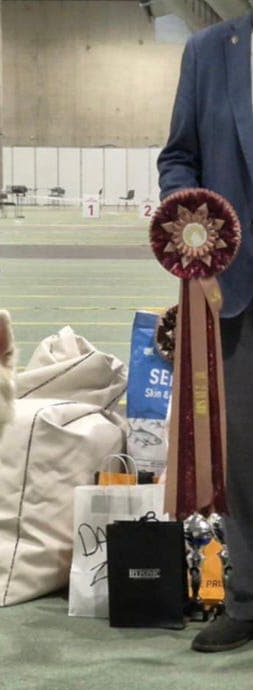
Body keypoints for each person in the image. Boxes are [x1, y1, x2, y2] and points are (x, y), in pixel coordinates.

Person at [158, 10, 253, 653]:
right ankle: (246, 598)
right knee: (242, 451)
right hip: (236, 287)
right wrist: (191, 220)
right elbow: (180, 156)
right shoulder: (209, 51)